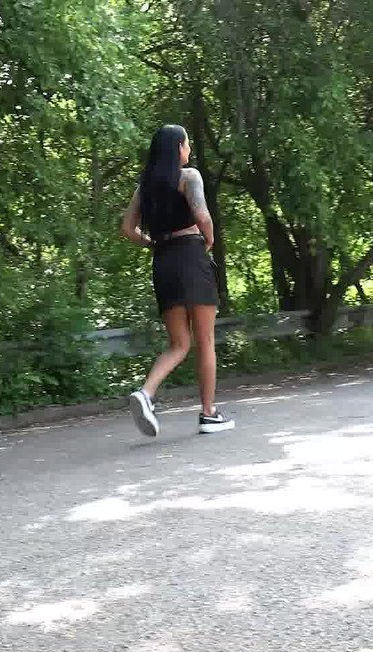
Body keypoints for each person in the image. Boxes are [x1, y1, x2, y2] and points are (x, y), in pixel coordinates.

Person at [119, 124, 234, 436]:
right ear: (178, 148)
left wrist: (154, 243)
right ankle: (209, 414)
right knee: (205, 341)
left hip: (164, 262)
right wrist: (209, 240)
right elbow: (203, 216)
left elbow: (127, 229)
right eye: (187, 144)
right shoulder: (189, 176)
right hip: (191, 257)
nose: (190, 149)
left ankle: (146, 393)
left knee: (179, 343)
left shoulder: (145, 188)